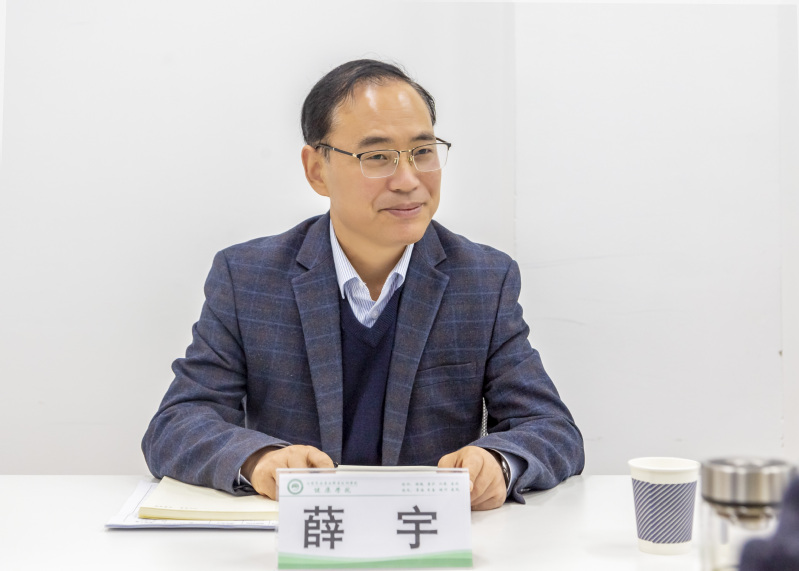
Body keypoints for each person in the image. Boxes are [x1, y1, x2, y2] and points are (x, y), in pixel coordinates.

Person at [142, 59, 584, 511]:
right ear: (317, 170)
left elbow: (552, 429)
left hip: (424, 533)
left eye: (423, 151)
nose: (408, 181)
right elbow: (176, 424)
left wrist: (499, 462)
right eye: (377, 157)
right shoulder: (248, 278)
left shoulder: (483, 279)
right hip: (301, 532)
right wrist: (260, 460)